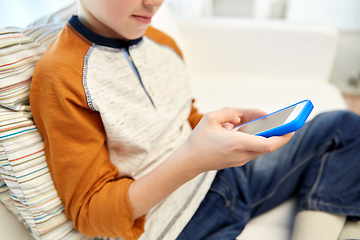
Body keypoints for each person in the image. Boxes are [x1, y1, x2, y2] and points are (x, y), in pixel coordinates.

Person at [30, 0, 360, 239]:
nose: (155, 2)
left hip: (226, 177)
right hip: (179, 225)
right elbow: (91, 213)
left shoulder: (162, 43)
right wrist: (192, 160)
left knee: (344, 126)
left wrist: (224, 128)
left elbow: (183, 117)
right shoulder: (62, 76)